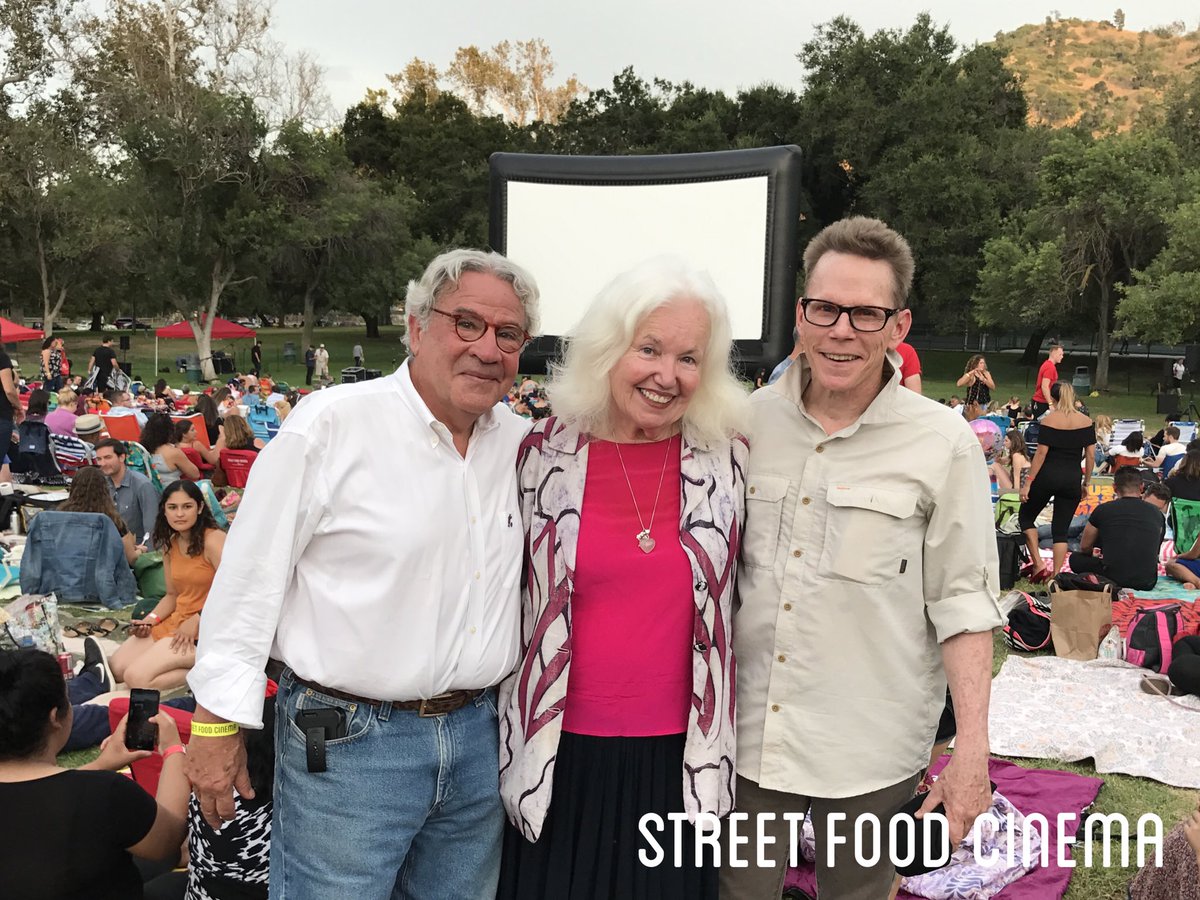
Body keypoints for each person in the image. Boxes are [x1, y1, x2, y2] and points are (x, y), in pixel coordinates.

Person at [184, 248, 539, 900]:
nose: (487, 349)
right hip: (345, 741)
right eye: (467, 324)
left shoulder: (521, 446)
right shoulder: (331, 426)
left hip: (478, 740)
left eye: (507, 334)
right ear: (415, 326)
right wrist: (212, 724)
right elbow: (247, 582)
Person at [725, 216, 1004, 899]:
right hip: (752, 736)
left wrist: (971, 755)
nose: (842, 330)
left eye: (865, 313)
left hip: (873, 745)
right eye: (826, 309)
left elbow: (965, 604)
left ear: (897, 327)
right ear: (801, 316)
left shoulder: (944, 444)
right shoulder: (746, 422)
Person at [498, 259, 748, 899]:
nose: (668, 376)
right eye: (649, 350)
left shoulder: (727, 460)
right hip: (557, 758)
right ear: (609, 350)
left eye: (689, 358)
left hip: (682, 763)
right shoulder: (538, 455)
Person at [0, 649, 190, 900]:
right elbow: (169, 837)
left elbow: (33, 795)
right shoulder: (104, 793)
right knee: (185, 881)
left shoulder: (94, 789)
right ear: (56, 717)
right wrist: (174, 751)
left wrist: (101, 764)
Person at [110, 481, 224, 691]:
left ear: (199, 508)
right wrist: (149, 621)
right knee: (117, 668)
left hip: (208, 630)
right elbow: (172, 595)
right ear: (164, 510)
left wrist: (199, 619)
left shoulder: (214, 540)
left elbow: (234, 592)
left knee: (135, 678)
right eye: (173, 508)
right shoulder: (171, 542)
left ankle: (205, 671)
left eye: (186, 506)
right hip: (177, 621)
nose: (179, 514)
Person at [1018, 382, 1095, 580]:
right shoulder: (1086, 421)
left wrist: (1028, 482)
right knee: (1060, 530)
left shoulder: (1049, 421)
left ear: (1052, 398)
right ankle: (1057, 576)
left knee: (1026, 517)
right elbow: (1091, 456)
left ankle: (1038, 563)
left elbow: (1041, 454)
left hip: (1048, 475)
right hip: (1071, 477)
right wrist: (1086, 482)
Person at [1068, 469, 1165, 590]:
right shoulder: (1157, 513)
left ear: (1114, 487)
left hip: (1113, 576)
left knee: (1075, 559)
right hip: (1147, 580)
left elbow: (1085, 546)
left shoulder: (1103, 509)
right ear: (1141, 487)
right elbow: (1156, 550)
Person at [56, 466, 144, 565]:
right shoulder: (113, 521)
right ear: (105, 489)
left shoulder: (58, 516)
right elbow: (130, 558)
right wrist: (140, 551)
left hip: (64, 573)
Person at [96, 438, 160, 542]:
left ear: (122, 457)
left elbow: (152, 528)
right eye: (99, 459)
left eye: (107, 458)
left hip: (138, 549)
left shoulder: (142, 485)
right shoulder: (101, 484)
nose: (102, 463)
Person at [139, 412, 201, 487]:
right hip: (172, 492)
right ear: (170, 431)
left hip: (150, 491)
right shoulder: (173, 452)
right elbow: (195, 474)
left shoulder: (141, 449)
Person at [1031, 342, 1064, 418]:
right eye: (1060, 354)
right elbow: (1045, 386)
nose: (1062, 357)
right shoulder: (1050, 367)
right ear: (1053, 353)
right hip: (1042, 402)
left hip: (1042, 401)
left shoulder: (1048, 365)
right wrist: (1050, 404)